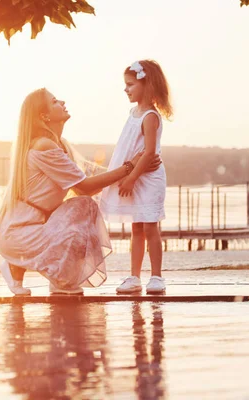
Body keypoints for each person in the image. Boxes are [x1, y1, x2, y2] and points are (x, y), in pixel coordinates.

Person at [0, 88, 162, 295]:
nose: (62, 102)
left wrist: (136, 170)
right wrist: (129, 167)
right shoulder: (43, 146)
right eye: (55, 101)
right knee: (84, 207)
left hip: (30, 226)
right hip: (19, 231)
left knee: (83, 207)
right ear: (44, 116)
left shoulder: (60, 145)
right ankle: (48, 274)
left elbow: (94, 175)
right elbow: (84, 187)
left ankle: (49, 274)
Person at [99, 60, 172, 294]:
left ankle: (157, 276)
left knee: (150, 226)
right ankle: (134, 276)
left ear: (146, 84)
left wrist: (131, 178)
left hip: (148, 178)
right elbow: (129, 146)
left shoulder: (150, 116)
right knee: (136, 228)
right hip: (136, 173)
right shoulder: (133, 113)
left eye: (130, 84)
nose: (126, 89)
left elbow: (150, 151)